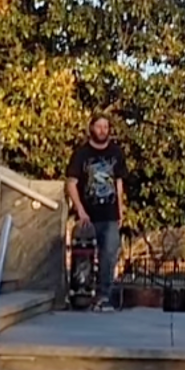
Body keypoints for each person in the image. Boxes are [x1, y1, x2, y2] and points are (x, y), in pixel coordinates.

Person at [65, 116, 128, 310]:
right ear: (91, 128)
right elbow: (71, 183)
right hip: (87, 215)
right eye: (99, 126)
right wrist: (80, 210)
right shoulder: (81, 154)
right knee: (84, 257)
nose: (102, 130)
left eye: (106, 127)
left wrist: (120, 209)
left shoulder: (116, 153)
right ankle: (82, 295)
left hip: (109, 215)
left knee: (109, 255)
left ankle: (104, 296)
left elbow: (118, 183)